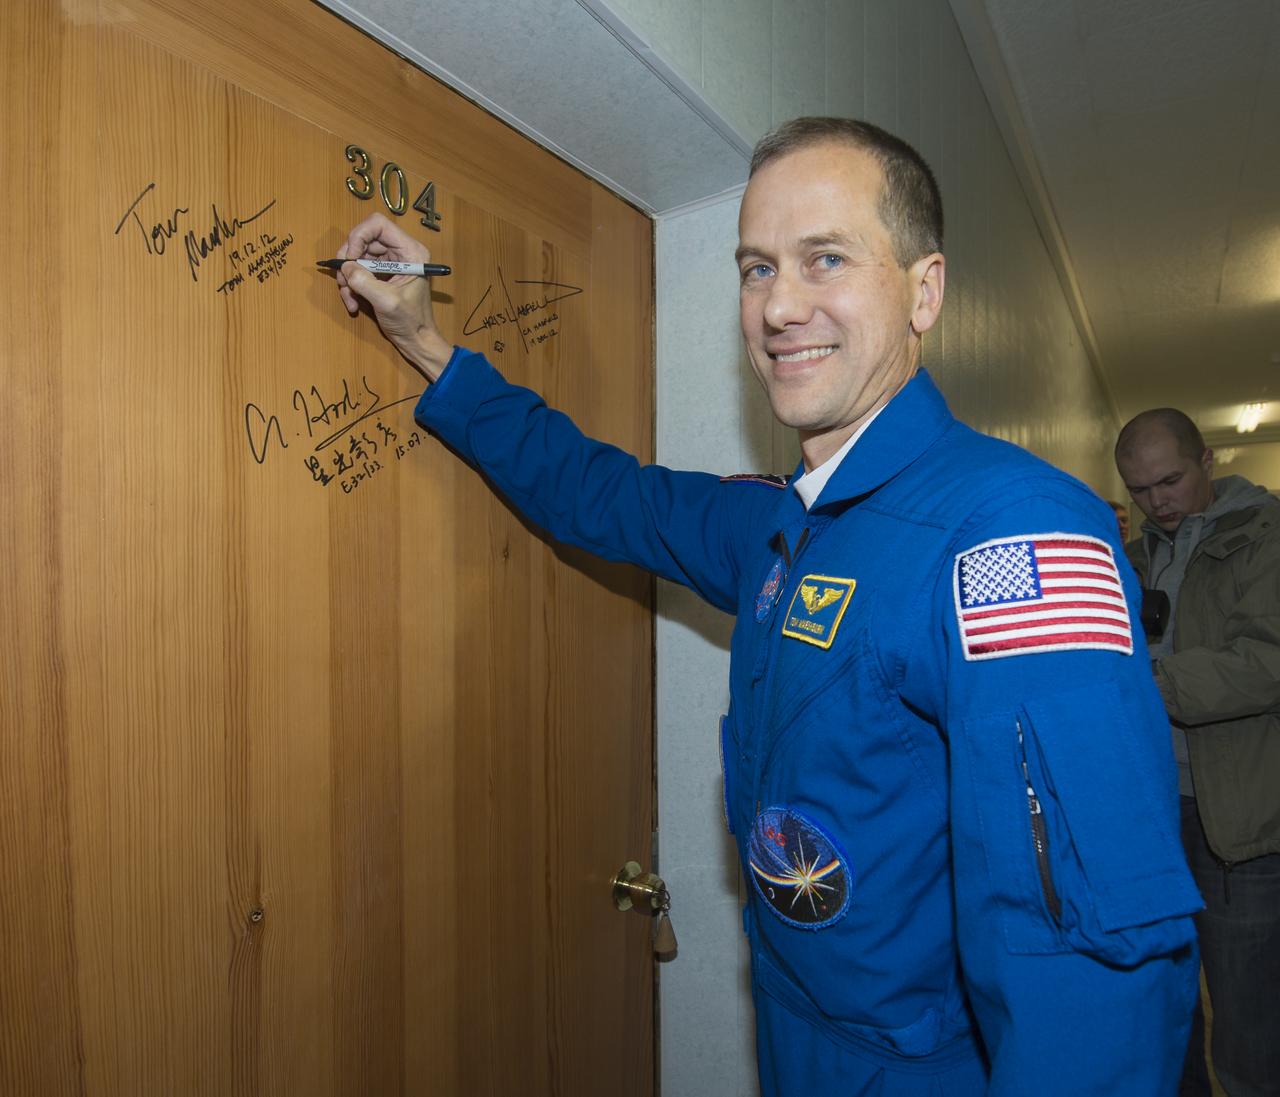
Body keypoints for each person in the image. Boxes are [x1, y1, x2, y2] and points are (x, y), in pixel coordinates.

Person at [334, 117, 1201, 1096]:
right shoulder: (778, 526)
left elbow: (1087, 971)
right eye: (755, 268)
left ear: (924, 291)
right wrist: (424, 344)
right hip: (797, 1044)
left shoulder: (1013, 533)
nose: (780, 305)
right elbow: (595, 491)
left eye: (822, 259)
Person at [1115, 409, 1280, 1097]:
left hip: (1238, 821)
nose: (1159, 501)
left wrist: (1152, 687)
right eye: (1141, 489)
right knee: (1165, 1009)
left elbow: (1267, 658)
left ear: (1208, 459)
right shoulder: (1129, 553)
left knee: (1249, 1025)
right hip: (1152, 815)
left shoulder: (1266, 536)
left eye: (1171, 480)